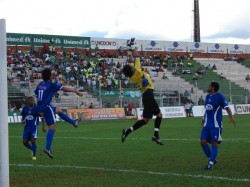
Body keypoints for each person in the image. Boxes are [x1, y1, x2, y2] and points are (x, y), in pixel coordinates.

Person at [121, 38, 164, 145]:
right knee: (159, 115)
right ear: (131, 70)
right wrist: (132, 47)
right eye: (131, 67)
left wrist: (129, 51)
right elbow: (136, 57)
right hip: (148, 94)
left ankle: (127, 131)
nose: (132, 67)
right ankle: (155, 135)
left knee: (145, 120)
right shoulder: (138, 72)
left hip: (146, 95)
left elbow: (132, 60)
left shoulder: (132, 77)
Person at [34, 68, 83, 159]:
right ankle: (47, 148)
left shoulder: (40, 84)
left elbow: (36, 93)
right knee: (52, 128)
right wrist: (76, 91)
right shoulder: (51, 85)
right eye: (52, 74)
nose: (53, 76)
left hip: (40, 107)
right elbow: (64, 89)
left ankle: (73, 122)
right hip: (46, 108)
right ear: (49, 76)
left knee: (59, 110)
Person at [200, 82, 236, 170]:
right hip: (206, 125)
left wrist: (231, 118)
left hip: (216, 125)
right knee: (202, 142)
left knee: (214, 144)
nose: (207, 87)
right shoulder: (207, 96)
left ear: (213, 87)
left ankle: (210, 164)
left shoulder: (220, 96)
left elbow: (227, 107)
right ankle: (212, 159)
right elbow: (207, 109)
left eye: (209, 86)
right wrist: (203, 118)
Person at [20, 96, 46, 160]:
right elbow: (23, 116)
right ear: (28, 101)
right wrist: (22, 121)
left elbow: (42, 116)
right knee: (24, 142)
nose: (33, 101)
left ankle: (34, 156)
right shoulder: (25, 108)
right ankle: (33, 149)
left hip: (34, 127)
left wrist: (43, 126)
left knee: (33, 140)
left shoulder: (36, 108)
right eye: (32, 100)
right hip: (26, 127)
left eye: (34, 100)